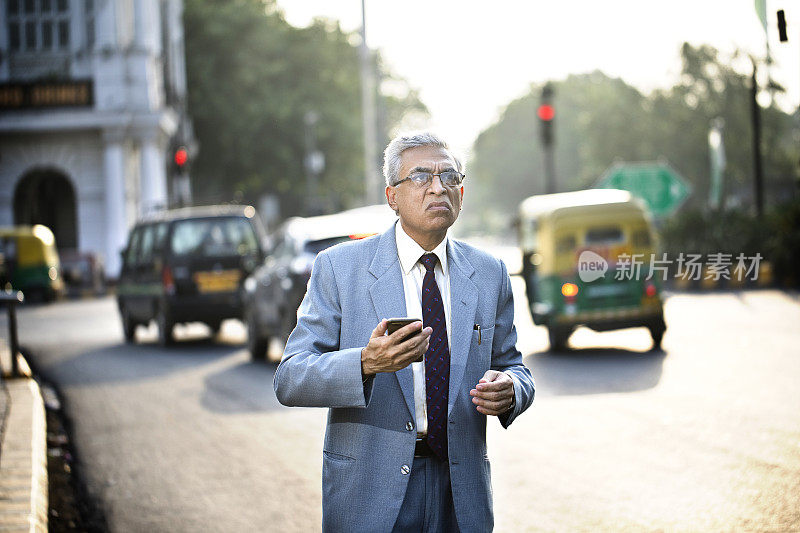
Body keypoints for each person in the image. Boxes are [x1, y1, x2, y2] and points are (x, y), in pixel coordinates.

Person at [274, 132, 535, 532]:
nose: (438, 187)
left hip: (460, 492)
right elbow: (291, 378)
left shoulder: (489, 273)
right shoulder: (340, 269)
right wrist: (365, 362)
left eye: (449, 176)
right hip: (370, 493)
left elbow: (514, 366)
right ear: (391, 196)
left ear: (461, 193)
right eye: (421, 176)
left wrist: (511, 389)